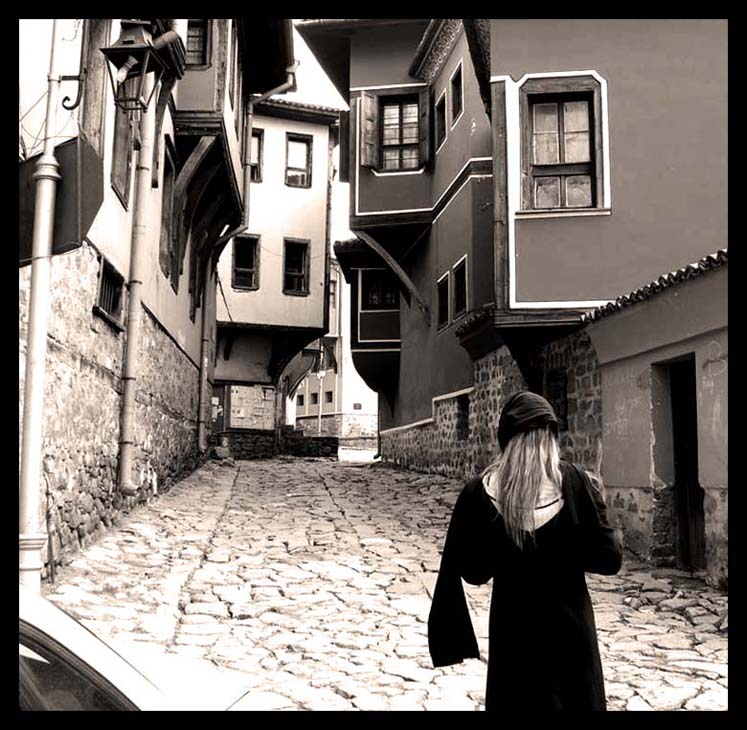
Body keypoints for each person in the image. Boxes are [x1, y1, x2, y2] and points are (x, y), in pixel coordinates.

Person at [428, 391, 622, 711]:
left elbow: (474, 572)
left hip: (514, 638)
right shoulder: (577, 484)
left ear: (505, 440)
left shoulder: (479, 492)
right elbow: (608, 559)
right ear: (551, 437)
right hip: (570, 636)